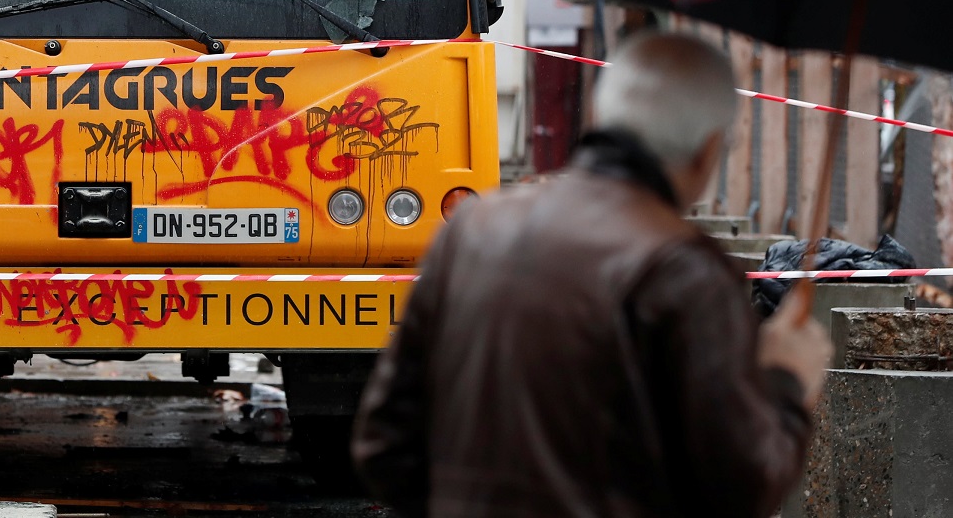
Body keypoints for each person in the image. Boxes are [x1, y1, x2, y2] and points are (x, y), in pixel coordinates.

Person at [352, 32, 831, 518]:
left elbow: (384, 444)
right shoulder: (685, 272)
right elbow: (741, 487)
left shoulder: (474, 229)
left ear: (600, 117)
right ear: (709, 151)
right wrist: (787, 382)